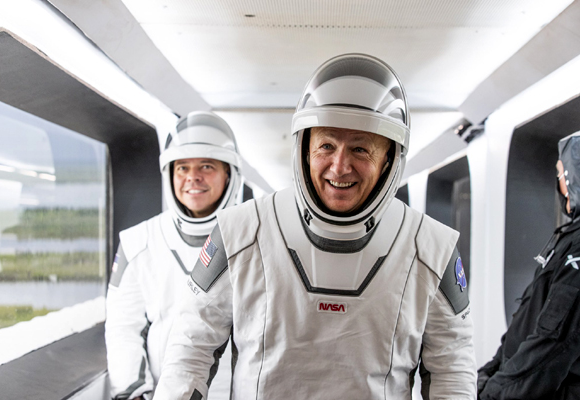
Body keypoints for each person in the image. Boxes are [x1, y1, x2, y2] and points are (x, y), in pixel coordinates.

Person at [154, 54, 477, 400]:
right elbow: (191, 346)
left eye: (360, 149)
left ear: (389, 160)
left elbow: (452, 369)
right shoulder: (240, 233)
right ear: (304, 149)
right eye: (326, 145)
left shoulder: (431, 249)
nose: (340, 167)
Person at [105, 111, 245, 400]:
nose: (193, 177)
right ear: (169, 174)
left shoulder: (254, 235)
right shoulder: (138, 242)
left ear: (229, 173)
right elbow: (123, 329)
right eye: (182, 167)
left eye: (206, 166)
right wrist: (134, 392)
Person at [477, 131, 580, 400]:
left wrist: (493, 391)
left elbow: (553, 343)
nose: (559, 185)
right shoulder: (568, 238)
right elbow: (530, 317)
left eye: (561, 175)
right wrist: (490, 372)